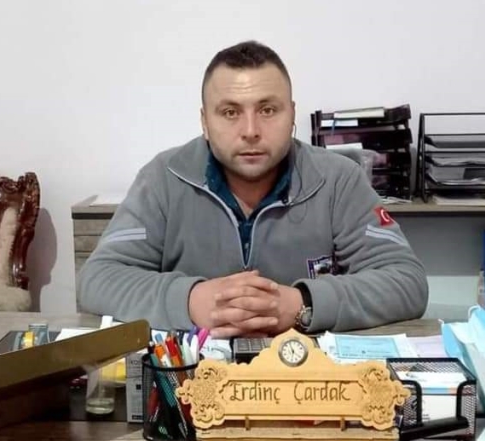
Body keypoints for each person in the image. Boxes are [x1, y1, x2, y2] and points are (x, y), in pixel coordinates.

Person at [77, 40, 428, 337]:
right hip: (189, 379)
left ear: (292, 114)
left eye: (268, 110)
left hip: (306, 379)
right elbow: (98, 279)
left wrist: (302, 304)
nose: (250, 131)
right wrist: (190, 300)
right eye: (230, 112)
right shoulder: (163, 178)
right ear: (205, 121)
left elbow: (406, 281)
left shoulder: (338, 179)